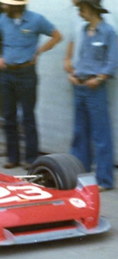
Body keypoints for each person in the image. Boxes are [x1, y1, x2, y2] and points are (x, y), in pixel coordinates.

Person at [0, 0, 62, 170]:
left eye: (5, 4)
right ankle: (12, 157)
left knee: (28, 117)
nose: (2, 6)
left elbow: (57, 36)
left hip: (26, 74)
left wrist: (39, 51)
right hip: (7, 74)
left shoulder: (36, 19)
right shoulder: (2, 19)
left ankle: (31, 159)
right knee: (8, 116)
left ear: (16, 6)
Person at [66, 0, 118, 192]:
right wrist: (73, 74)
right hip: (80, 86)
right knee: (80, 132)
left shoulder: (108, 32)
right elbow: (81, 58)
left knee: (100, 135)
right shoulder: (84, 31)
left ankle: (104, 180)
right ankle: (79, 173)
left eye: (82, 9)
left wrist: (99, 78)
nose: (80, 12)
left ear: (92, 9)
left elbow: (112, 62)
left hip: (95, 88)